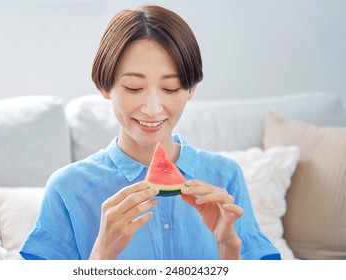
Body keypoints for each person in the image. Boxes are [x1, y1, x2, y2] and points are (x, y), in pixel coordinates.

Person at [20, 5, 281, 260]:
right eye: (134, 88)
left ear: (191, 90)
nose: (153, 109)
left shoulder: (224, 176)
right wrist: (102, 254)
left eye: (171, 88)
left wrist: (228, 247)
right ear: (105, 85)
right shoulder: (68, 188)